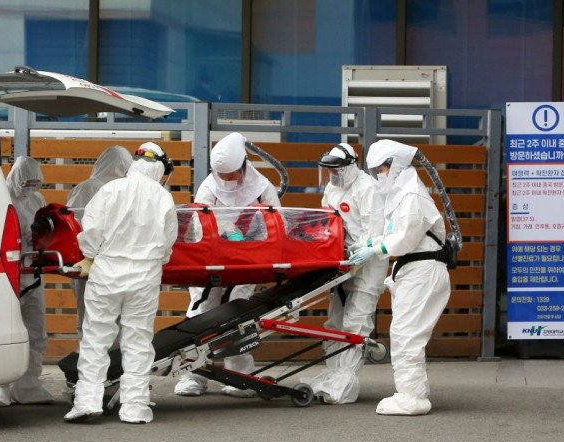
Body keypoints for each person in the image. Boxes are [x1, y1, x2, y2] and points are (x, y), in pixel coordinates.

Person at [64, 143, 177, 424]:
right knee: (138, 340)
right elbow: (167, 244)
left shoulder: (109, 190)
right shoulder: (163, 198)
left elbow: (89, 232)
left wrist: (93, 254)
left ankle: (87, 402)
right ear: (159, 168)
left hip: (106, 274)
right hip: (145, 277)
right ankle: (135, 407)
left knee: (95, 339)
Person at [174, 132, 281, 398]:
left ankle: (240, 375)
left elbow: (276, 222)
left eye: (232, 175)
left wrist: (248, 240)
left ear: (245, 165)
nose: (227, 180)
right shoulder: (209, 187)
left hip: (248, 258)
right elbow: (199, 220)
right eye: (223, 176)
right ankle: (194, 376)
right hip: (210, 258)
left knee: (238, 313)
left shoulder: (262, 187)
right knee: (200, 311)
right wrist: (226, 229)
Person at [349, 139, 451, 416]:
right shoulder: (402, 195)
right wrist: (371, 244)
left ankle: (412, 397)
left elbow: (404, 239)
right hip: (414, 271)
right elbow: (396, 233)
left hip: (422, 272)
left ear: (394, 166)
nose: (378, 176)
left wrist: (374, 249)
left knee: (406, 336)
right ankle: (411, 393)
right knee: (404, 333)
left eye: (380, 170)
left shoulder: (412, 197)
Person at [301, 144, 388, 404]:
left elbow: (376, 230)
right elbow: (328, 223)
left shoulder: (367, 188)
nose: (333, 175)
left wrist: (362, 251)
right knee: (335, 322)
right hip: (341, 261)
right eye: (329, 171)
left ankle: (344, 384)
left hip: (368, 263)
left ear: (351, 166)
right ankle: (333, 374)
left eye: (337, 170)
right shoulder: (331, 188)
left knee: (356, 323)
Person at [0, 155, 54, 406]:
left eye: (35, 182)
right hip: (6, 277)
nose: (30, 187)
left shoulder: (37, 199)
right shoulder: (0, 198)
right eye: (27, 182)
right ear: (16, 178)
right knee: (2, 332)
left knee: (36, 332)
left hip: (32, 274)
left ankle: (28, 385)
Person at [67, 145, 133, 337]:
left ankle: (114, 366)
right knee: (91, 321)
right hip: (92, 265)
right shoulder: (88, 188)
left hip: (116, 267)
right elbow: (75, 225)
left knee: (117, 323)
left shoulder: (124, 190)